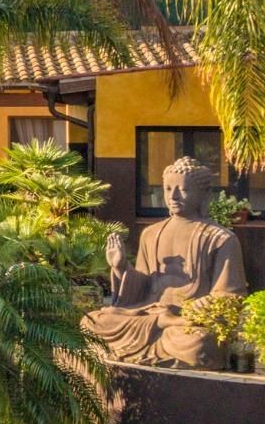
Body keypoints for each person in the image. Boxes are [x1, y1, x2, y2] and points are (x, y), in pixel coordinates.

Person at [81, 156, 246, 368]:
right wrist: (121, 267)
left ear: (203, 194)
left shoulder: (220, 238)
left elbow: (231, 294)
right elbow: (142, 288)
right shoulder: (151, 234)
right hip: (149, 313)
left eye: (182, 190)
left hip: (185, 320)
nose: (173, 196)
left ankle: (167, 326)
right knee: (91, 322)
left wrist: (203, 304)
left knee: (200, 343)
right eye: (168, 189)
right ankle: (163, 323)